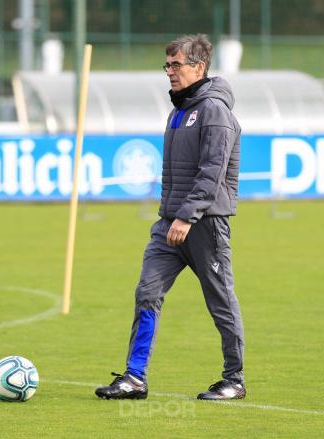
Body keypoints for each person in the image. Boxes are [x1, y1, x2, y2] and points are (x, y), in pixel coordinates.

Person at [95, 34, 245, 401]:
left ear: (199, 66)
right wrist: (170, 217)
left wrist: (188, 217)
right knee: (147, 293)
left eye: (176, 65)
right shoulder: (179, 110)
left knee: (220, 300)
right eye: (168, 65)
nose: (170, 72)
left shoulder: (215, 111)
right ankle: (134, 377)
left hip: (205, 225)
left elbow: (212, 170)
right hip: (169, 225)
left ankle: (235, 379)